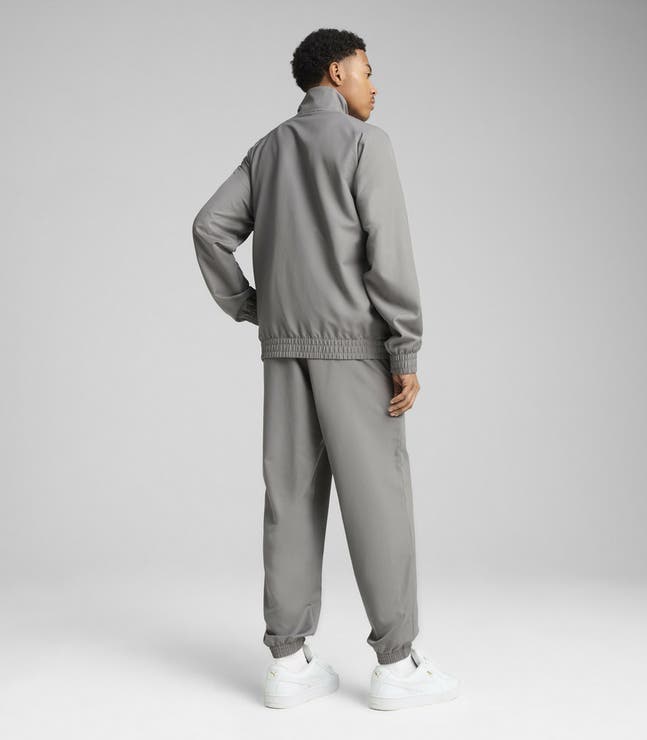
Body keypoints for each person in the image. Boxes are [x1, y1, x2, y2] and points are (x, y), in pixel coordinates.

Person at [192, 27, 459, 710]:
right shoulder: (367, 144)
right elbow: (389, 253)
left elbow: (209, 227)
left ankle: (287, 663)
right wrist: (405, 348)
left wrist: (254, 306)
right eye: (367, 70)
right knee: (378, 502)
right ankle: (396, 668)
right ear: (337, 73)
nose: (375, 84)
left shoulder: (268, 148)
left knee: (289, 499)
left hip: (285, 350)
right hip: (355, 351)